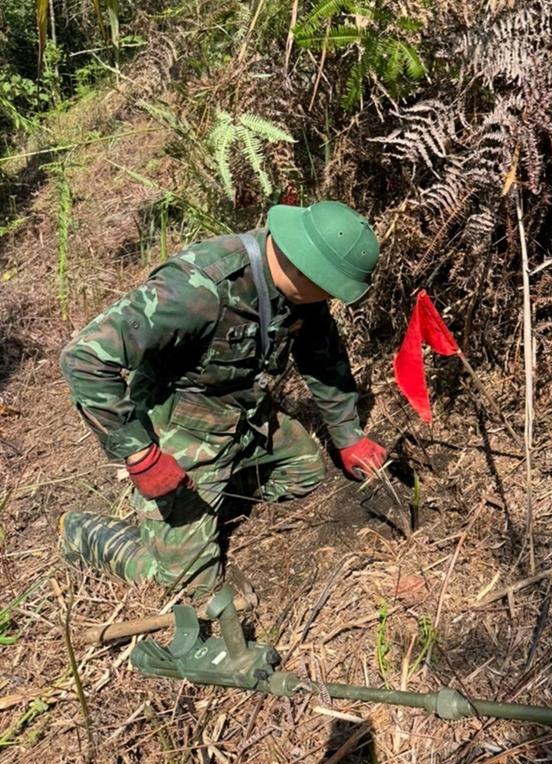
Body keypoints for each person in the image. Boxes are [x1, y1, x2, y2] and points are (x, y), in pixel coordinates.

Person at [58, 200, 387, 592]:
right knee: (184, 583)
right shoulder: (197, 292)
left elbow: (322, 358)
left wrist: (348, 436)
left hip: (243, 414)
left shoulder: (299, 292)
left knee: (305, 472)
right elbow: (84, 357)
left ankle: (210, 493)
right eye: (330, 289)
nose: (330, 299)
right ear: (306, 267)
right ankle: (83, 532)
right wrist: (141, 456)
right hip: (180, 424)